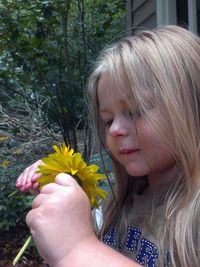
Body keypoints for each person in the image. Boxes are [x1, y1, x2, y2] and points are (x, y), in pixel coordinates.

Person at [16, 25, 200, 267]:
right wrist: (62, 218)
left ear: (192, 107)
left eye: (135, 111)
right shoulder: (117, 206)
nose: (114, 130)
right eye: (108, 120)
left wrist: (76, 248)